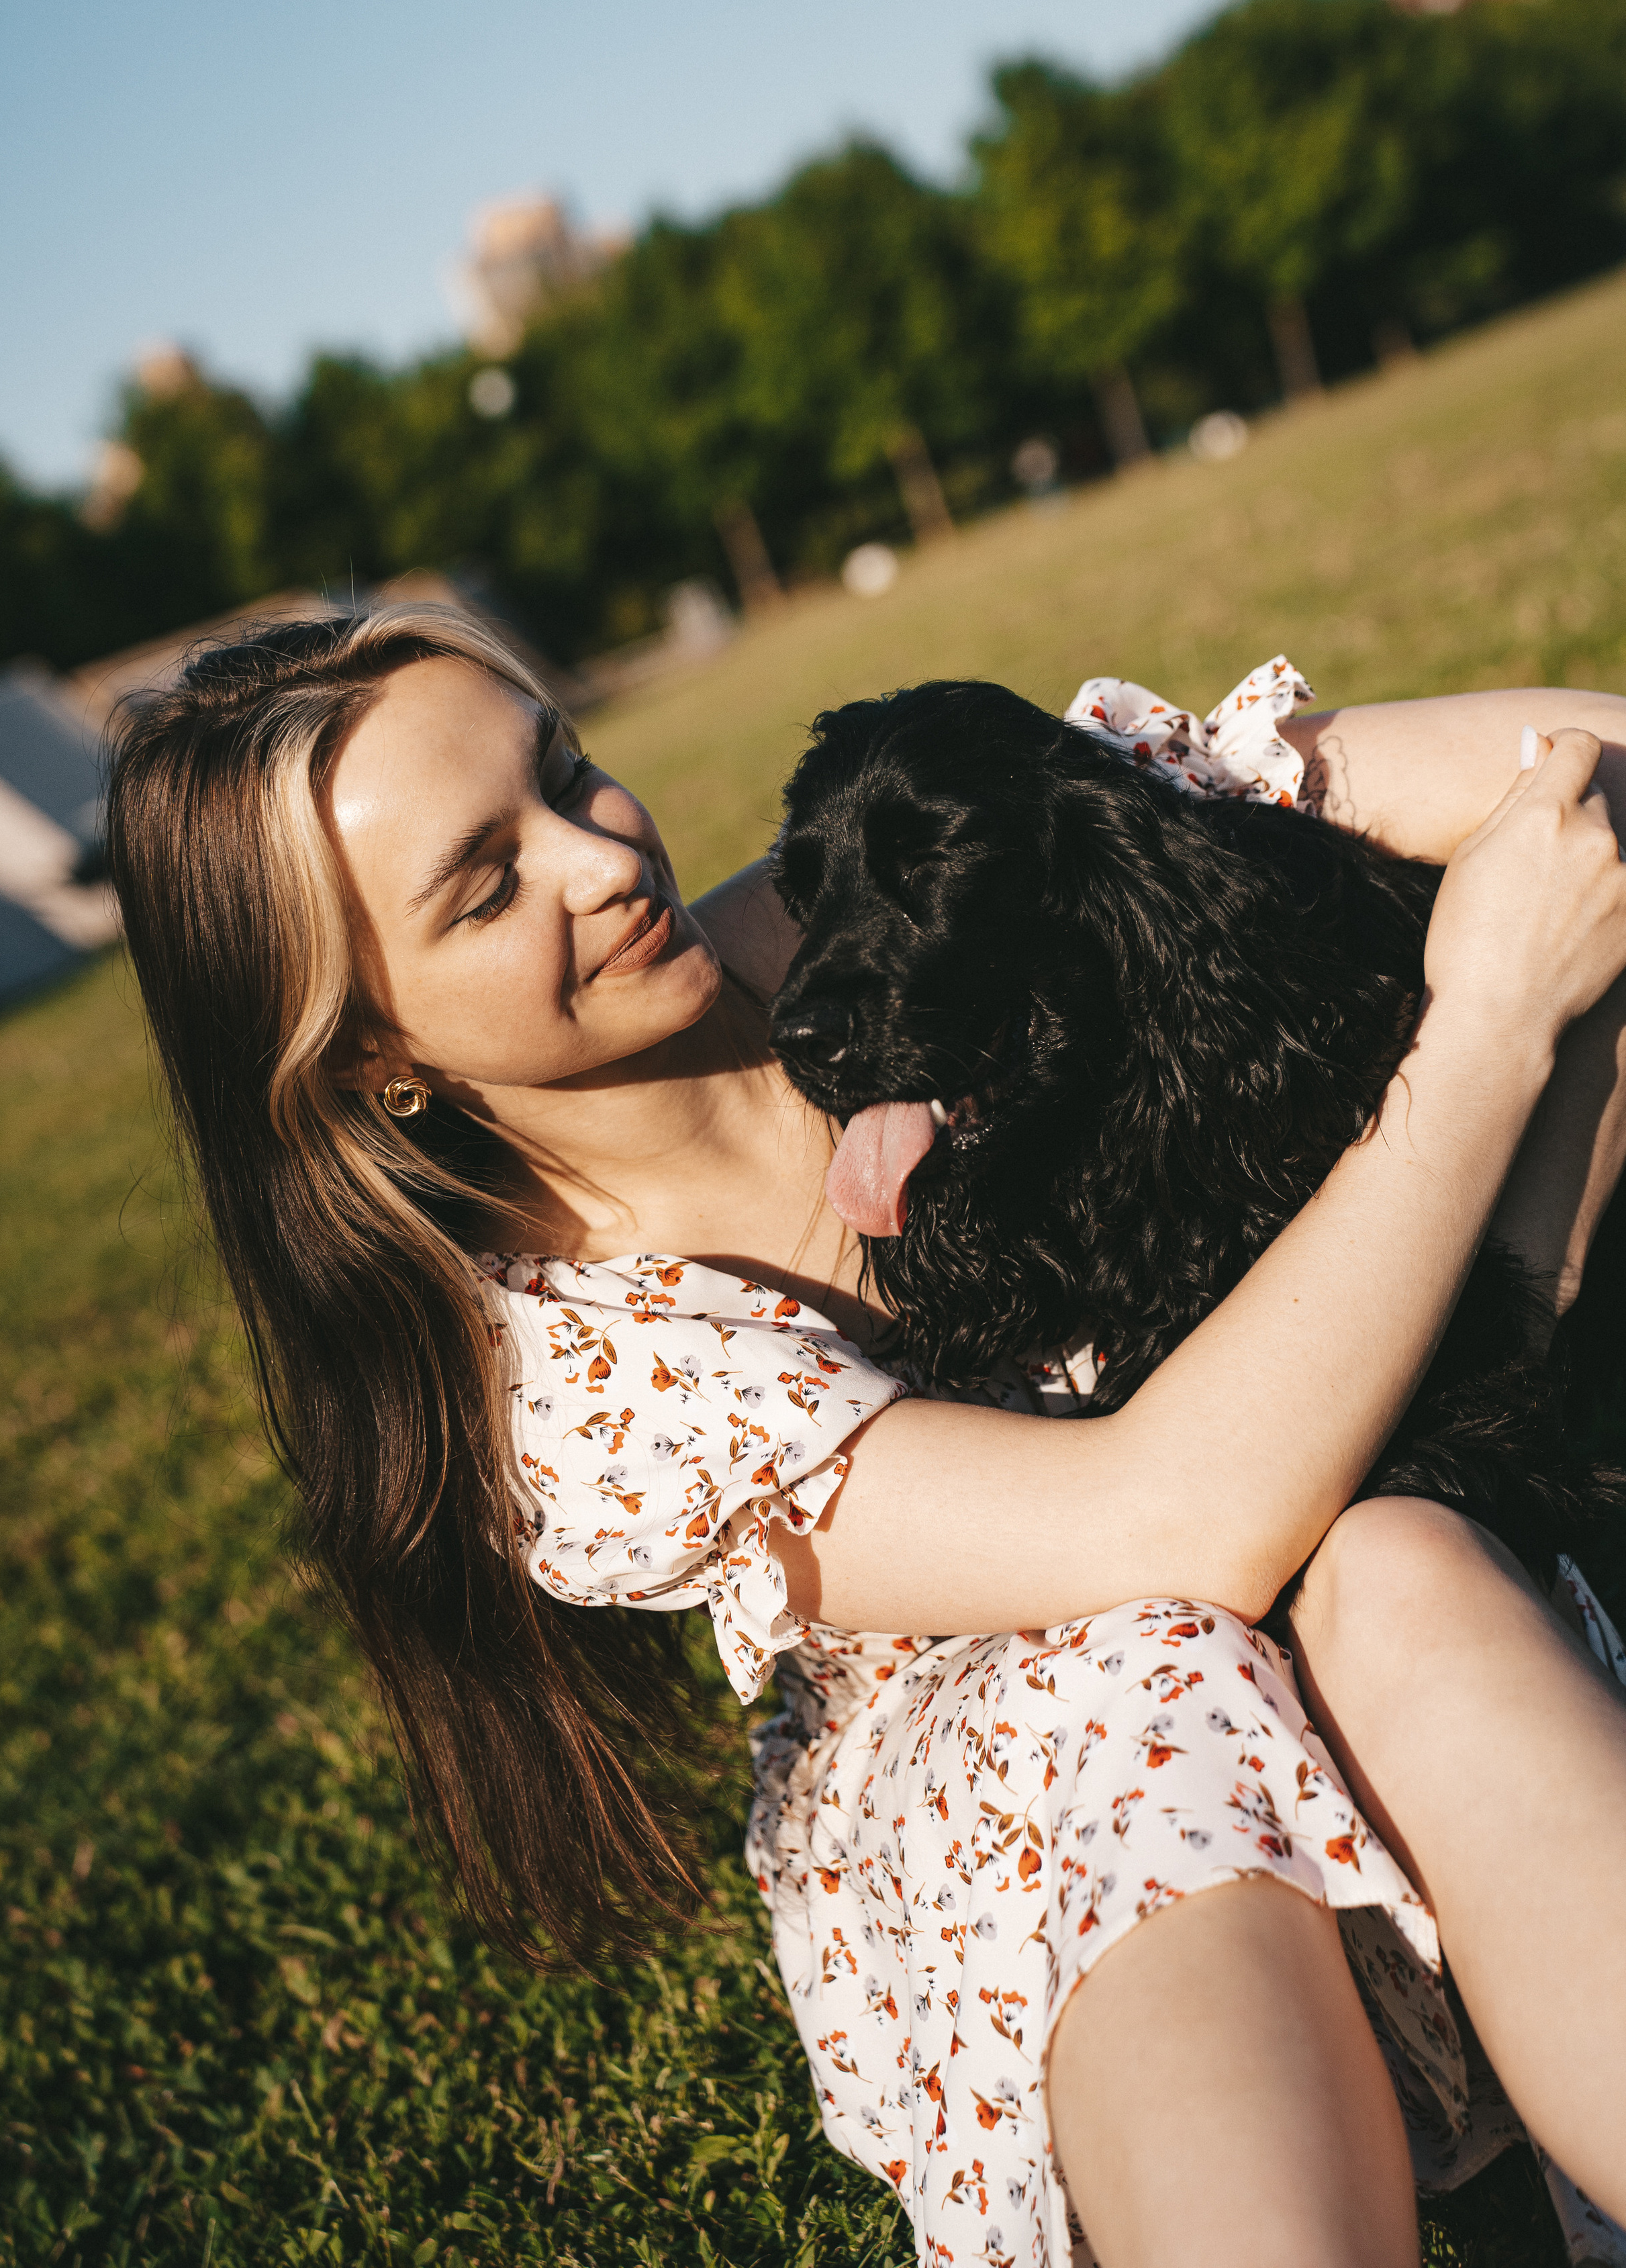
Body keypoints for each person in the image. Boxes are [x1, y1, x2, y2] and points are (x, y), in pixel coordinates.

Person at [105, 606, 1626, 2268]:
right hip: (1014, 1762)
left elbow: (1584, 774)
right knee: (1147, 1688)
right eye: (486, 884)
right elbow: (1173, 1525)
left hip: (1360, 1538)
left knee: (1398, 1556)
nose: (605, 864)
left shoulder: (883, 877)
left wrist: (1547, 1142)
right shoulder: (554, 1378)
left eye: (568, 771)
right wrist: (1488, 1035)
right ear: (372, 1055)